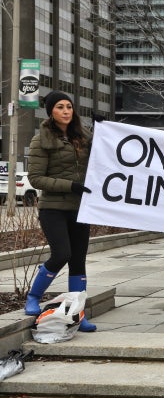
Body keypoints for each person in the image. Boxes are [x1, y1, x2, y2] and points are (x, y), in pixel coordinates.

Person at [24, 91, 96, 332]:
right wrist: (71, 186)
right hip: (53, 208)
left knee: (78, 261)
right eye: (60, 107)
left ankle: (78, 313)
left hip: (80, 208)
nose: (66, 111)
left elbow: (105, 155)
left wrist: (103, 129)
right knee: (61, 254)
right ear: (51, 112)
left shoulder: (84, 137)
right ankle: (33, 297)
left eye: (69, 107)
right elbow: (35, 178)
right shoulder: (41, 140)